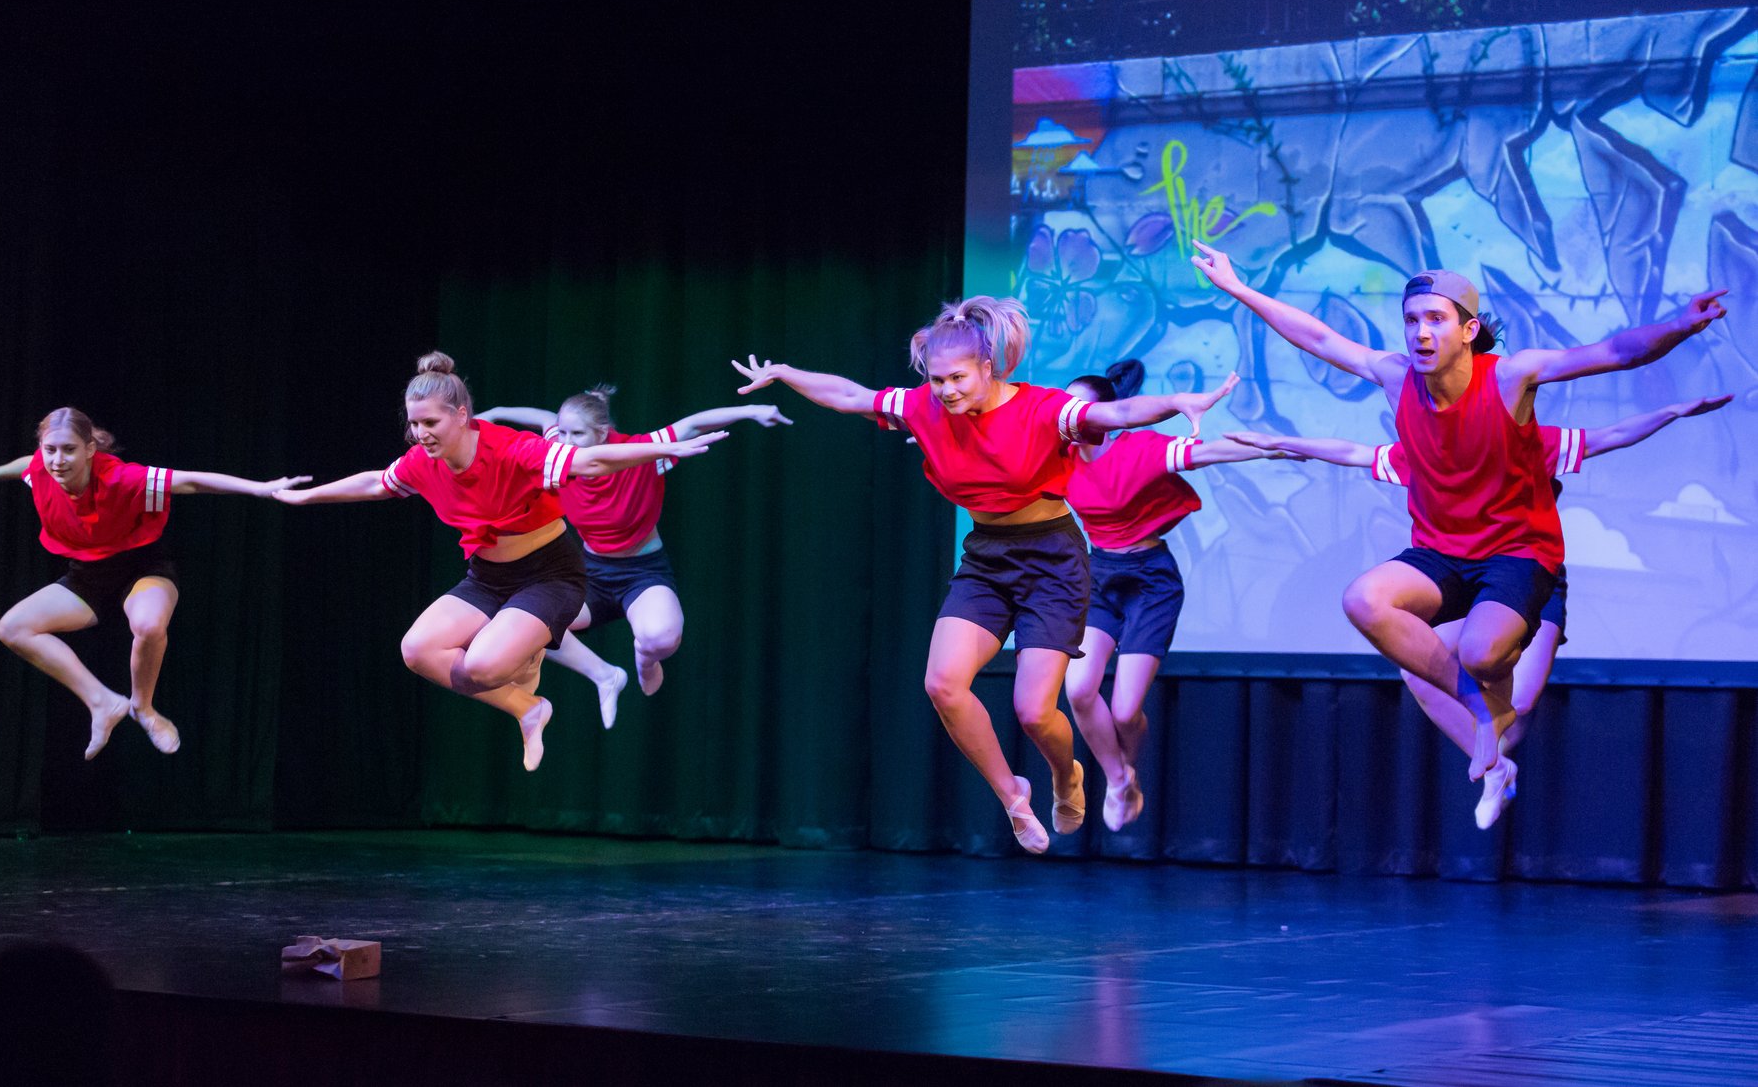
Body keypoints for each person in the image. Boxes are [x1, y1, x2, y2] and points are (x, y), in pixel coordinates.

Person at [1192, 239, 1727, 782]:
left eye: (1436, 319)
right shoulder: (1398, 378)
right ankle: (1485, 708)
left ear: (1468, 330)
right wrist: (1238, 289)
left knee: (1479, 652)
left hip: (1518, 554)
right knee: (1363, 599)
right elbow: (1319, 339)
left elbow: (1614, 352)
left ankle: (1493, 696)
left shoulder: (1510, 378)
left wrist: (1680, 328)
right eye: (1411, 320)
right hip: (1441, 554)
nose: (1421, 333)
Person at [732, 296, 1238, 854]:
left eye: (958, 378)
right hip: (987, 558)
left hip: (1051, 561)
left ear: (987, 367)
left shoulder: (1042, 409)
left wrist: (1177, 402)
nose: (947, 391)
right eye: (938, 379)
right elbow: (852, 396)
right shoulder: (922, 406)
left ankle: (1066, 772)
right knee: (943, 684)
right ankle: (1013, 796)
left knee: (1033, 712)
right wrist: (785, 373)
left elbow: (1115, 415)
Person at [1229, 392, 1732, 827]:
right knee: (1418, 672)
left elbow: (1613, 435)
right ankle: (1494, 767)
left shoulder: (1528, 444)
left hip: (1526, 581)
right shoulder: (1433, 452)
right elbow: (1352, 452)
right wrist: (1280, 442)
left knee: (1521, 701)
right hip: (1465, 580)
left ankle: (1496, 751)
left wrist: (1673, 410)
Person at [275, 353, 724, 770]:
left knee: (482, 667)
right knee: (417, 650)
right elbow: (377, 483)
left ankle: (527, 654)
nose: (420, 433)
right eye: (414, 424)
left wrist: (659, 449)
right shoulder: (422, 462)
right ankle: (528, 709)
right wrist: (308, 497)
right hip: (488, 577)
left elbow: (588, 462)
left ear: (461, 415)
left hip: (550, 575)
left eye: (430, 422)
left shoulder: (509, 449)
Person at [0, 408, 308, 759]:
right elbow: (26, 465)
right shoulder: (41, 469)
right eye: (50, 450)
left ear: (90, 449)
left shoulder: (123, 478)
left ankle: (143, 708)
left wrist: (260, 489)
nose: (57, 460)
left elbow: (190, 481)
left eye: (69, 450)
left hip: (142, 567)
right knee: (13, 628)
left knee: (149, 625)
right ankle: (102, 702)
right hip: (88, 576)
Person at [1059, 359, 1286, 832]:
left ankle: (1130, 766)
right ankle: (1119, 781)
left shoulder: (1140, 450)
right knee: (1078, 689)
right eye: (1066, 409)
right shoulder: (1056, 456)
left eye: (1082, 410)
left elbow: (1213, 453)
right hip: (1100, 576)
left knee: (1125, 711)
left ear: (1108, 416)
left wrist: (1278, 447)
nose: (1071, 418)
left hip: (1149, 582)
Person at [479, 390, 791, 728]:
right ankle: (605, 675)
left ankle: (645, 659)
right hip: (590, 573)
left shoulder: (641, 453)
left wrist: (752, 410)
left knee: (662, 638)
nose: (566, 441)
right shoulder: (560, 454)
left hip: (641, 571)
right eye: (563, 432)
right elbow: (544, 419)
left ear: (602, 433)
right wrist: (496, 411)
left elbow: (693, 425)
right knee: (525, 628)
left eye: (577, 434)